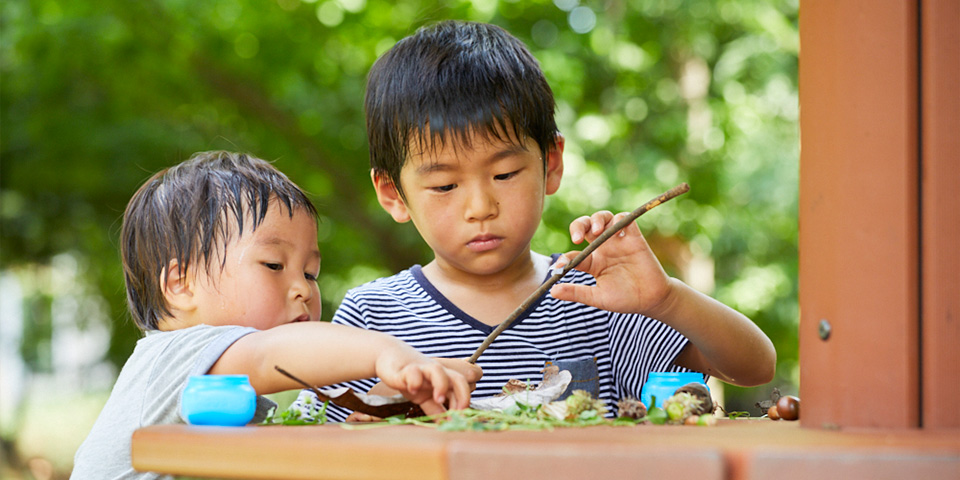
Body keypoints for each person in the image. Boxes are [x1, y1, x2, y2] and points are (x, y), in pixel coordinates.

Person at [291, 20, 775, 422]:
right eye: (444, 186)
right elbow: (308, 436)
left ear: (552, 162)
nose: (480, 206)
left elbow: (754, 365)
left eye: (504, 173)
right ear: (393, 194)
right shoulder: (371, 317)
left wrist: (665, 298)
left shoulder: (596, 301)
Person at [71, 151, 475, 479]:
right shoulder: (173, 357)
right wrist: (389, 354)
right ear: (181, 284)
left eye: (310, 272)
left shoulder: (230, 394)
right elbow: (270, 352)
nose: (303, 288)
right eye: (274, 265)